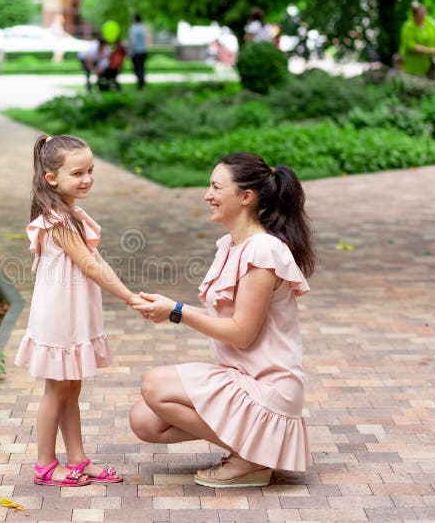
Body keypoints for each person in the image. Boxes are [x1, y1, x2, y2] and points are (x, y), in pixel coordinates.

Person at [129, 152, 316, 488]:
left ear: (246, 197)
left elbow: (241, 333)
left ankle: (253, 457)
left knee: (155, 384)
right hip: (241, 377)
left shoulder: (263, 251)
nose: (207, 195)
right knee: (145, 421)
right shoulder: (232, 245)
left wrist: (177, 311)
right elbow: (230, 322)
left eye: (216, 187)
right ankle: (252, 451)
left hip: (268, 388)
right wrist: (169, 309)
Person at [15, 134, 143, 487]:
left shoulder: (70, 214)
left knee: (71, 389)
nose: (86, 179)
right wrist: (129, 297)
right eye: (78, 173)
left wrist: (129, 294)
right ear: (51, 178)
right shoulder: (58, 220)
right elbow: (91, 266)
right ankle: (44, 464)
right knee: (57, 392)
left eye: (90, 171)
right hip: (59, 320)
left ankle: (77, 458)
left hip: (73, 316)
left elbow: (96, 261)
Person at [399, 2, 435, 78]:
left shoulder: (429, 22)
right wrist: (431, 50)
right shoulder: (408, 26)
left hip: (430, 64)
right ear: (414, 15)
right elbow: (411, 46)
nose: (424, 15)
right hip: (413, 66)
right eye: (421, 13)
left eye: (424, 13)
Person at [128, 13, 149, 90]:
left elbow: (133, 42)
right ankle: (142, 83)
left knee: (137, 68)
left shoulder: (133, 28)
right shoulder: (143, 28)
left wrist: (130, 52)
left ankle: (140, 84)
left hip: (136, 52)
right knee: (142, 68)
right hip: (143, 51)